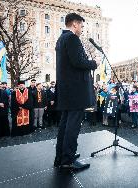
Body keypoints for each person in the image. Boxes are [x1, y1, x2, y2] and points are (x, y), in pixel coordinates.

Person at [54, 13, 98, 170]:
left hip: (67, 92)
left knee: (65, 125)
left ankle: (62, 156)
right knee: (73, 126)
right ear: (74, 24)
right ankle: (68, 160)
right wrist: (93, 63)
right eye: (81, 25)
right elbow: (78, 62)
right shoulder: (72, 39)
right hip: (75, 91)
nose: (82, 28)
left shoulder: (61, 39)